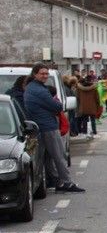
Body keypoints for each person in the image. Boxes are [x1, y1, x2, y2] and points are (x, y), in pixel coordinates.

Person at [23, 63, 84, 193]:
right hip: (47, 126)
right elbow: (57, 107)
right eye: (42, 73)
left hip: (40, 126)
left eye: (46, 73)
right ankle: (66, 183)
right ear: (35, 74)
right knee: (59, 156)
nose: (45, 76)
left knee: (48, 157)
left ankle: (56, 181)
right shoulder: (38, 90)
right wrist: (55, 104)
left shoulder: (32, 87)